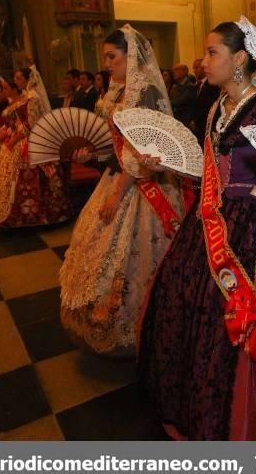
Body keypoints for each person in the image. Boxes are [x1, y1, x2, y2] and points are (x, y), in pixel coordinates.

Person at [138, 17, 256, 441]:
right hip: (209, 222)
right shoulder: (216, 107)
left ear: (239, 59)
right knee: (182, 294)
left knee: (237, 318)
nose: (205, 62)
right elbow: (211, 174)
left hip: (254, 228)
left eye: (213, 54)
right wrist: (167, 165)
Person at [59, 25, 185, 359]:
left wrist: (117, 195)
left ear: (131, 56)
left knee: (138, 255)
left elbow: (139, 152)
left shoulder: (142, 94)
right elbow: (114, 146)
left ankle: (144, 326)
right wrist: (95, 156)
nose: (108, 63)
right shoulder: (119, 91)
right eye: (106, 58)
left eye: (112, 56)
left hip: (139, 185)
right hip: (117, 176)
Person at [0, 67, 71, 227]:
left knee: (33, 179)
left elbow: (31, 123)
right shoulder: (24, 98)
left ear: (28, 79)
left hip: (28, 142)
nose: (16, 81)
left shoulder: (32, 97)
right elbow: (14, 122)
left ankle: (37, 215)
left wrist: (14, 138)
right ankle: (15, 214)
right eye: (15, 79)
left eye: (18, 78)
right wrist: (8, 133)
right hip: (18, 139)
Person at [169, 63, 197, 129]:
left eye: (176, 69)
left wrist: (166, 102)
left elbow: (181, 101)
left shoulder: (191, 86)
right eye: (173, 70)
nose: (173, 72)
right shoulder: (175, 87)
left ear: (184, 71)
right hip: (176, 121)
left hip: (186, 122)